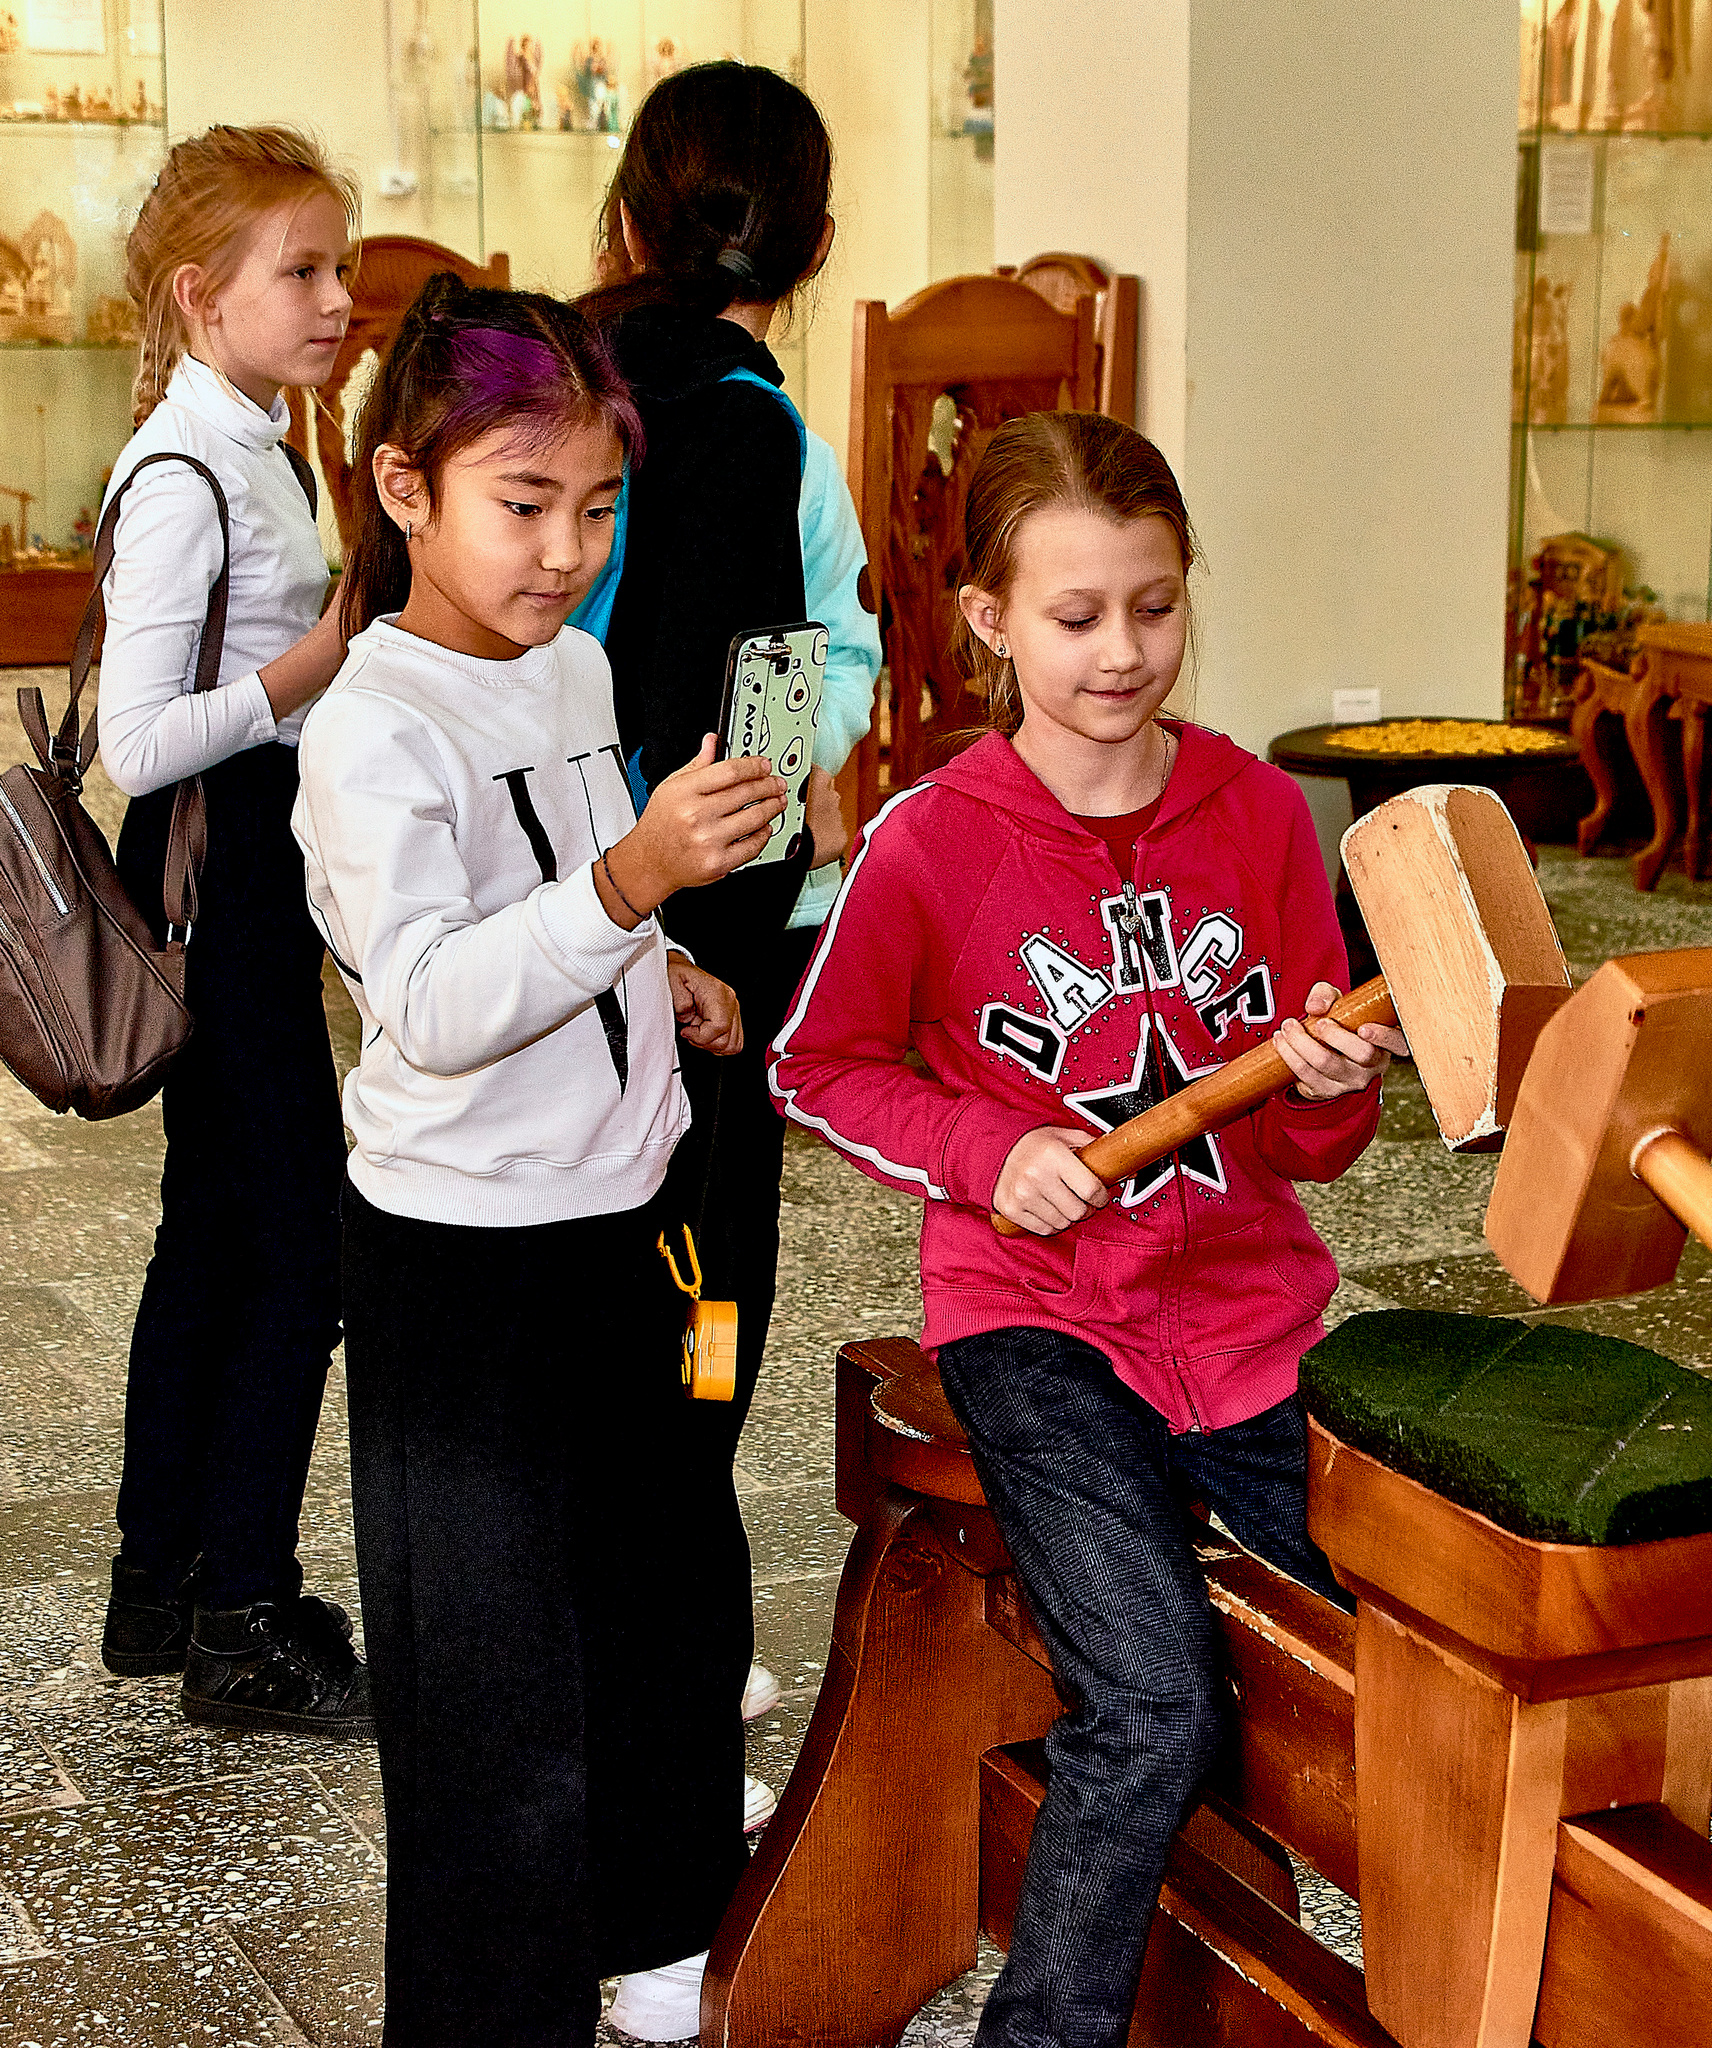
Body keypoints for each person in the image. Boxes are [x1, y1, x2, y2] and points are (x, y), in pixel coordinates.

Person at [768, 411, 1403, 2048]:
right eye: (1075, 615)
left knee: (1430, 1630)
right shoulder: (932, 840)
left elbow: (1316, 1142)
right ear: (989, 618)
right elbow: (817, 1064)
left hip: (1252, 1321)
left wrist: (1330, 1076)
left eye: (1157, 605)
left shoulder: (1265, 818)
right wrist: (987, 1149)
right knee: (1152, 1692)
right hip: (1035, 1324)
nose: (1124, 651)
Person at [292, 273, 787, 2047]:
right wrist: (635, 888)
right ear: (405, 491)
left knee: (657, 1598)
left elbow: (570, 899)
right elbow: (429, 997)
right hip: (465, 1260)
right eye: (523, 504)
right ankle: (494, 2009)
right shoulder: (369, 726)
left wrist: (668, 966)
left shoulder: (572, 669)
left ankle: (664, 1931)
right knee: (487, 1674)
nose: (567, 549)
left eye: (596, 506)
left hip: (624, 1218)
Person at [573, 58, 882, 1769]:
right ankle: (671, 1619)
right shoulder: (764, 428)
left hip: (543, 905)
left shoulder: (555, 384)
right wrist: (744, 950)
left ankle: (625, 1590)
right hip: (700, 936)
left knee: (588, 1269)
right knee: (704, 1283)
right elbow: (777, 694)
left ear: (630, 209)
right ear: (817, 240)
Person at [93, 125, 369, 1738]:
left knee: (213, 1232)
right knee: (299, 1247)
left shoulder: (263, 432)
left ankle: (164, 1577)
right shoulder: (190, 467)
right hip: (221, 871)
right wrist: (319, 659)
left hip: (251, 864)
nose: (338, 297)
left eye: (339, 264)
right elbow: (142, 737)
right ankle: (242, 1614)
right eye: (304, 271)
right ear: (206, 298)